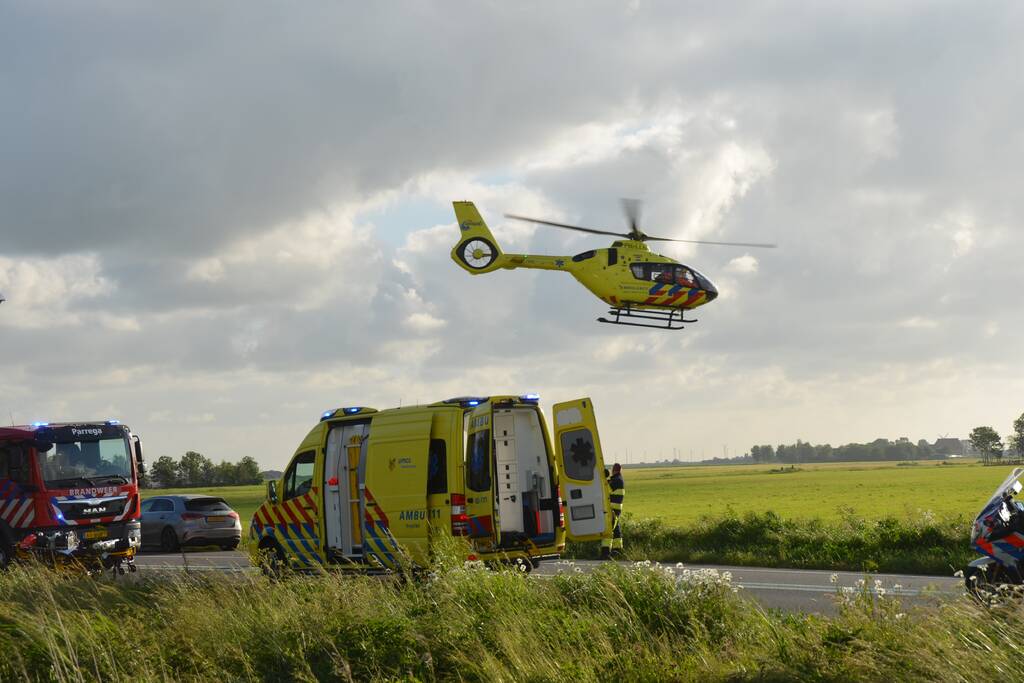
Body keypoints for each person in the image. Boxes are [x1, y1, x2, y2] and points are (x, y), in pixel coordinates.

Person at [600, 463, 625, 559]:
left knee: (608, 530)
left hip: (612, 509)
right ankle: (617, 551)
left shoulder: (616, 481)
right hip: (616, 509)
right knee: (616, 531)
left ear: (613, 470)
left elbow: (606, 490)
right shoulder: (618, 479)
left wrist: (603, 479)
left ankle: (605, 553)